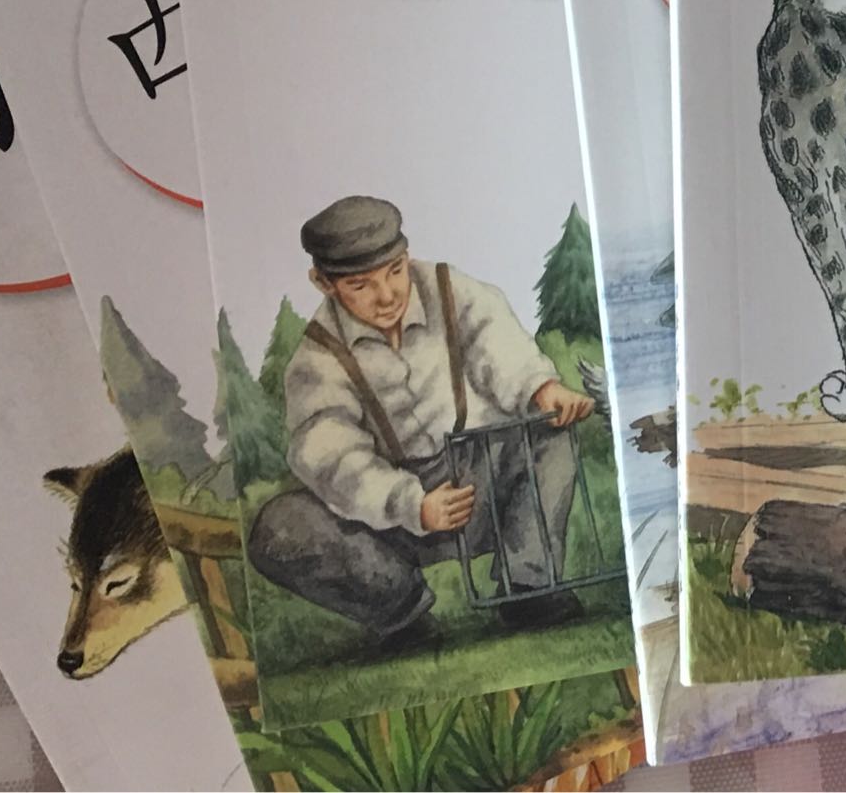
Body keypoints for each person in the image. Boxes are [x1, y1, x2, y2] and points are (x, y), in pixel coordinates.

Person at [245, 195, 597, 644]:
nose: (387, 295)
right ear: (323, 283)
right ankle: (401, 612)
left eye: (395, 271)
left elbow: (497, 342)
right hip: (389, 514)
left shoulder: (448, 288)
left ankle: (528, 587)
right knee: (278, 528)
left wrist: (539, 388)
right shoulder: (317, 358)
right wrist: (410, 504)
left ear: (406, 255)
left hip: (481, 481)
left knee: (550, 430)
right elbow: (331, 455)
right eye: (360, 285)